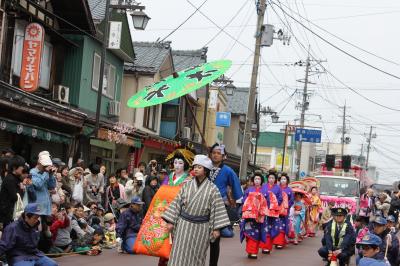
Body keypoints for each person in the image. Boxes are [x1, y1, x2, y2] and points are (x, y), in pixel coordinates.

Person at [162, 155, 230, 266]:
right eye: (195, 167)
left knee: (197, 255)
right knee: (178, 253)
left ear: (206, 170)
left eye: (199, 167)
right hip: (183, 225)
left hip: (201, 227)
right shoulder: (187, 185)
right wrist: (171, 221)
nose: (196, 169)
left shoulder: (213, 189)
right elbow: (177, 203)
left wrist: (216, 228)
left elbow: (217, 209)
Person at [208, 143, 243, 266]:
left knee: (215, 239)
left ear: (224, 156)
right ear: (210, 154)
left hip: (219, 207)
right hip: (202, 205)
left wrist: (236, 200)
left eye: (219, 153)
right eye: (214, 153)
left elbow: (236, 186)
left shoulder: (228, 170)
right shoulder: (204, 167)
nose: (216, 155)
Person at [240, 172, 267, 259]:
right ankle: (251, 251)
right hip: (249, 216)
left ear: (261, 181)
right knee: (249, 232)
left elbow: (268, 202)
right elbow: (244, 200)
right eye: (255, 179)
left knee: (257, 233)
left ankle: (253, 251)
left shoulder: (264, 190)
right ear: (253, 180)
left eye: (259, 179)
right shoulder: (248, 190)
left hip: (259, 216)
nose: (257, 181)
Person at [259, 171, 282, 254]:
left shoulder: (278, 188)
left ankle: (268, 246)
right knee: (264, 228)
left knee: (271, 228)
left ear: (275, 179)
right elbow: (260, 196)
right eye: (269, 178)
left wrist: (274, 202)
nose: (271, 179)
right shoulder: (264, 186)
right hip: (264, 210)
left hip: (273, 211)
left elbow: (280, 199)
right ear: (267, 179)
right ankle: (264, 246)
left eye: (273, 178)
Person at [0, 155, 26, 228]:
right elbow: (16, 197)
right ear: (14, 168)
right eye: (22, 166)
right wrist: (21, 189)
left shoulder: (15, 178)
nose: (23, 168)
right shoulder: (10, 179)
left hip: (11, 213)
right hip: (6, 215)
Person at [274, 173, 294, 249]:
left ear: (287, 181)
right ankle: (275, 241)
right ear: (279, 180)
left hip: (285, 210)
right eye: (282, 179)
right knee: (276, 225)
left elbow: (291, 200)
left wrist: (286, 205)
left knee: (283, 225)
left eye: (284, 179)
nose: (283, 180)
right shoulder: (277, 188)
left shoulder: (289, 190)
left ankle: (280, 242)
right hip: (276, 209)